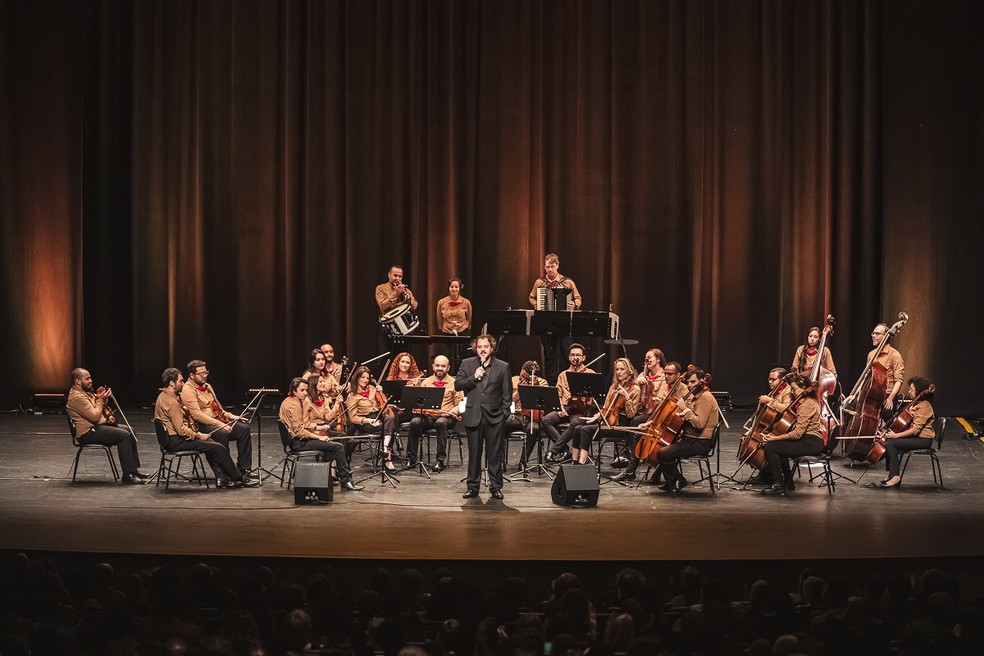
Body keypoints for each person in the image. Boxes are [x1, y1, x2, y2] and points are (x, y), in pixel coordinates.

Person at [154, 368, 257, 488]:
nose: (182, 384)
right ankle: (236, 477)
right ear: (172, 383)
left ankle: (236, 474)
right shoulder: (171, 402)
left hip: (176, 438)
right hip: (176, 440)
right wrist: (198, 435)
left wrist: (229, 416)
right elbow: (181, 430)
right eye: (180, 381)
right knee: (217, 447)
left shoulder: (166, 396)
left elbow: (217, 408)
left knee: (219, 444)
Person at [66, 368, 149, 484]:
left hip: (96, 427)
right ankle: (128, 475)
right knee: (124, 435)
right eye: (87, 378)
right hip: (88, 432)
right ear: (78, 382)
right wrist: (100, 400)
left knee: (130, 430)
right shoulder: (77, 397)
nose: (91, 381)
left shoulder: (85, 393)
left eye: (90, 377)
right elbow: (94, 416)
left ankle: (133, 470)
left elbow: (98, 408)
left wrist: (102, 398)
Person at [279, 377, 363, 491]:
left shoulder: (291, 401)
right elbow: (299, 431)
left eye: (306, 390)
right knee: (338, 447)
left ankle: (331, 469)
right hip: (298, 443)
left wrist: (318, 430)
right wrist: (319, 437)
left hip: (300, 440)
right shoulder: (294, 405)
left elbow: (303, 425)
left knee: (342, 440)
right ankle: (345, 480)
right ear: (294, 391)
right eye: (302, 390)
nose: (305, 393)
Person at [455, 334, 512, 499]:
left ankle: (495, 487)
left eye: (485, 347)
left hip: (495, 417)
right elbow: (458, 384)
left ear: (492, 348)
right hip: (474, 415)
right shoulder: (468, 364)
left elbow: (507, 395)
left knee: (494, 455)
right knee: (474, 454)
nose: (482, 350)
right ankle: (473, 487)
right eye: (479, 347)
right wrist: (474, 377)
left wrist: (503, 415)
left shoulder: (503, 367)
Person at [180, 359, 255, 484]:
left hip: (216, 422)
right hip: (201, 426)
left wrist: (231, 416)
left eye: (206, 372)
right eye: (201, 374)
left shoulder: (208, 387)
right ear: (192, 375)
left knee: (244, 429)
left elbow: (218, 409)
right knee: (222, 433)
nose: (205, 376)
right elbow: (197, 415)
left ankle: (243, 469)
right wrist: (221, 425)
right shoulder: (187, 390)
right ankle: (224, 473)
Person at [615, 360, 684, 483]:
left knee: (663, 447)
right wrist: (649, 423)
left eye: (670, 374)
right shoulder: (669, 389)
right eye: (665, 374)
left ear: (678, 375)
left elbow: (682, 414)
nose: (666, 376)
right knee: (639, 434)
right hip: (664, 424)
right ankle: (630, 471)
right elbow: (659, 411)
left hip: (677, 428)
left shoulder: (683, 390)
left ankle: (658, 473)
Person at [759, 375, 824, 495]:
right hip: (806, 440)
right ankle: (788, 483)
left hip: (811, 442)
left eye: (794, 389)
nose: (792, 392)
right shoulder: (802, 402)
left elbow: (798, 434)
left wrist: (774, 438)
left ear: (804, 388)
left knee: (771, 447)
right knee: (778, 448)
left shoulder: (807, 404)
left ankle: (779, 484)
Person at [657, 367, 720, 492]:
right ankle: (672, 480)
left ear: (702, 381)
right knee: (661, 449)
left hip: (700, 442)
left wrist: (685, 409)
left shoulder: (705, 398)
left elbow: (699, 423)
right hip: (690, 439)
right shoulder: (697, 397)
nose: (689, 385)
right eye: (688, 382)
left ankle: (678, 479)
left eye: (693, 382)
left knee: (663, 454)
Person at [568, 358, 641, 466]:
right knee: (578, 428)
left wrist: (626, 397)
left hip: (620, 426)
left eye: (622, 369)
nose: (619, 372)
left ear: (629, 371)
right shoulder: (614, 387)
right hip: (608, 421)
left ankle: (581, 463)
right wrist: (596, 417)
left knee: (585, 430)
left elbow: (631, 414)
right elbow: (607, 408)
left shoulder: (635, 389)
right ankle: (574, 462)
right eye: (617, 369)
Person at [528, 253, 582, 381]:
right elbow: (531, 297)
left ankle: (567, 382)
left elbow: (578, 298)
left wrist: (574, 305)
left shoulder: (567, 282)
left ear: (557, 265)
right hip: (546, 323)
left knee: (566, 352)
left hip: (564, 323)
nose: (550, 270)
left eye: (552, 266)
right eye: (547, 267)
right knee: (549, 354)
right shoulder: (540, 282)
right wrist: (537, 305)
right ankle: (551, 383)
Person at [406, 355, 463, 472]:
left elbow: (460, 403)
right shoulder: (426, 382)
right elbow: (419, 402)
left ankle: (440, 460)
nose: (440, 368)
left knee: (441, 423)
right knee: (415, 422)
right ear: (433, 367)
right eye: (437, 365)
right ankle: (411, 459)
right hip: (428, 416)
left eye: (443, 366)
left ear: (448, 368)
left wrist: (452, 411)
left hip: (446, 417)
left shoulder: (455, 383)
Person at [880, 376, 936, 489]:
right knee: (889, 441)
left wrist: (896, 435)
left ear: (920, 391)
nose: (909, 391)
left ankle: (895, 476)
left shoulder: (925, 406)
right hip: (917, 438)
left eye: (911, 389)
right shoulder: (914, 404)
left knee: (891, 443)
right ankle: (892, 474)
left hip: (924, 440)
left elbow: (915, 430)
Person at [543, 343, 596, 461]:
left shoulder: (590, 374)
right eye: (572, 355)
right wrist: (561, 408)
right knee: (546, 420)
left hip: (580, 411)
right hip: (566, 408)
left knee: (576, 423)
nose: (575, 357)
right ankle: (565, 450)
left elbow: (591, 399)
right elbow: (558, 395)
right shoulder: (563, 375)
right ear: (569, 357)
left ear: (583, 358)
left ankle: (554, 450)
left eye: (578, 355)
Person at [744, 367, 793, 486]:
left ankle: (768, 475)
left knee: (766, 443)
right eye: (769, 379)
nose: (770, 382)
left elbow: (786, 409)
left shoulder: (787, 390)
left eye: (773, 379)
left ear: (782, 380)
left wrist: (769, 400)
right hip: (773, 425)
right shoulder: (775, 391)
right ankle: (765, 473)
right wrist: (753, 429)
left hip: (783, 427)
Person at [346, 366, 400, 472]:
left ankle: (384, 449)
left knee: (392, 413)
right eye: (362, 377)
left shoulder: (372, 388)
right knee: (390, 426)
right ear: (357, 378)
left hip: (377, 416)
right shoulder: (352, 396)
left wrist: (381, 392)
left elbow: (381, 402)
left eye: (367, 378)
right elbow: (353, 418)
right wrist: (369, 421)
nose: (365, 380)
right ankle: (387, 458)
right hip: (365, 422)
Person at [504, 360, 550, 468]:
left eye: (527, 377)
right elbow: (507, 401)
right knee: (499, 424)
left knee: (534, 428)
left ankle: (523, 461)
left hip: (532, 417)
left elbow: (546, 402)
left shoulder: (542, 382)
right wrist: (519, 391)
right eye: (522, 375)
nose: (523, 378)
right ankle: (500, 461)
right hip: (515, 415)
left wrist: (535, 386)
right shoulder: (512, 381)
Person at [376, 265, 420, 353]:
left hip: (404, 328)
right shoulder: (380, 288)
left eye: (400, 276)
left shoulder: (406, 291)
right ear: (389, 275)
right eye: (395, 275)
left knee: (403, 355)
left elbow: (415, 306)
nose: (398, 278)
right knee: (386, 355)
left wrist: (404, 294)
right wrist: (395, 293)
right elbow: (382, 306)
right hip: (388, 327)